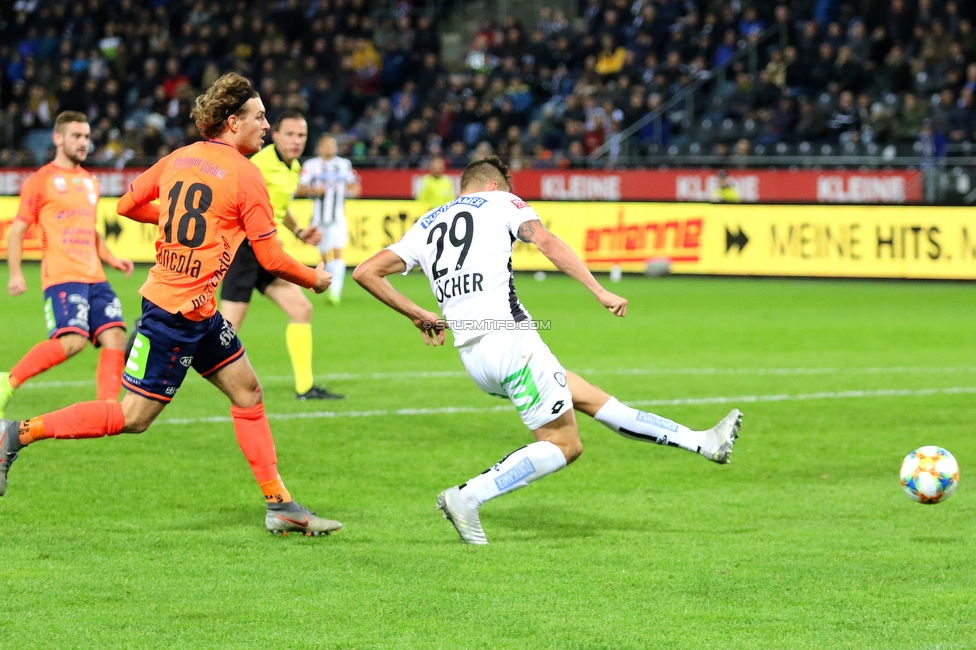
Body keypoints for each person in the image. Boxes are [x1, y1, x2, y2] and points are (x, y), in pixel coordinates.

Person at [0, 73, 341, 536]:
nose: (267, 126)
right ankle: (16, 433)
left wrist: (173, 216)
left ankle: (280, 504)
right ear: (232, 121)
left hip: (198, 312)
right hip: (173, 315)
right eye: (260, 117)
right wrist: (314, 278)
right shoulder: (247, 175)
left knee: (248, 392)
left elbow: (127, 205)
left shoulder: (180, 158)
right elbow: (271, 256)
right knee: (132, 417)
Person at [353, 156, 743, 545]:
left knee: (594, 400)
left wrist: (418, 314)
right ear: (493, 186)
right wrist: (600, 289)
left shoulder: (427, 223)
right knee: (564, 444)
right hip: (510, 342)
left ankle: (703, 443)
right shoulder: (502, 202)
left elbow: (365, 271)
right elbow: (547, 242)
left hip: (475, 357)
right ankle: (468, 496)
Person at [1, 111, 134, 418]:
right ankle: (8, 381)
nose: (84, 142)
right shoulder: (40, 181)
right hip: (62, 275)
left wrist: (111, 258)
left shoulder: (91, 182)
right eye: (76, 136)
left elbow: (89, 228)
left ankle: (107, 409)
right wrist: (16, 274)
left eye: (87, 136)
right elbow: (19, 230)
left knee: (114, 334)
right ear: (58, 138)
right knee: (72, 341)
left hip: (95, 276)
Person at [219, 108, 344, 401]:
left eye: (301, 135)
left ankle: (304, 388)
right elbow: (234, 202)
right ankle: (156, 346)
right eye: (289, 134)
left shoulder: (293, 167)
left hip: (266, 250)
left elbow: (278, 208)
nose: (296, 140)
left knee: (301, 310)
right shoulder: (259, 165)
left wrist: (298, 231)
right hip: (245, 250)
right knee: (226, 330)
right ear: (275, 136)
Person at [300, 134, 360, 305]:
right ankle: (324, 285)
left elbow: (354, 185)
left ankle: (335, 293)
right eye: (327, 145)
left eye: (333, 145)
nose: (331, 148)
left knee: (338, 252)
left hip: (338, 218)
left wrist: (354, 190)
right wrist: (314, 190)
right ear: (320, 148)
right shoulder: (311, 165)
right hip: (319, 219)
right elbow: (300, 189)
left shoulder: (344, 164)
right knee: (324, 257)